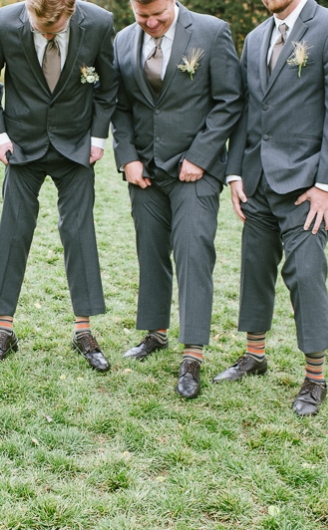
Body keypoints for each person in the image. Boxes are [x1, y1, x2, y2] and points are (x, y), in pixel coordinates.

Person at [216, 0, 328, 416]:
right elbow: (248, 110)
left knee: (306, 274)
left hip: (307, 186)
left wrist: (327, 186)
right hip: (257, 181)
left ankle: (315, 379)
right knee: (254, 267)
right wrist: (235, 173)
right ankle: (254, 356)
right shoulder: (257, 36)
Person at [0, 0, 118, 371]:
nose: (45, 33)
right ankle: (3, 330)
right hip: (21, 146)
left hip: (77, 147)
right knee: (14, 230)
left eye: (53, 29)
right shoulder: (4, 22)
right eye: (39, 26)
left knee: (79, 231)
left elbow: (108, 85)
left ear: (71, 11)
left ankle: (83, 332)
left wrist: (98, 138)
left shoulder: (100, 23)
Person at [111, 0, 242, 399]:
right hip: (145, 172)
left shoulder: (211, 32)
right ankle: (156, 333)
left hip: (195, 172)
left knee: (193, 252)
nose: (150, 24)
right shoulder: (122, 40)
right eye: (141, 16)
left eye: (159, 16)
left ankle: (193, 354)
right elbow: (120, 107)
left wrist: (200, 155)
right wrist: (127, 157)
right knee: (150, 252)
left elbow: (229, 101)